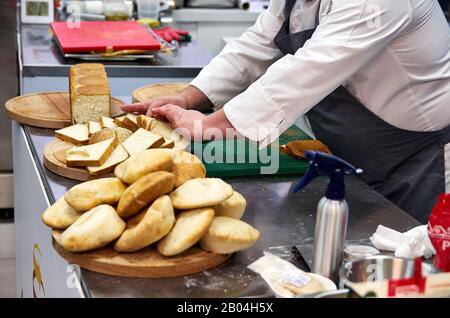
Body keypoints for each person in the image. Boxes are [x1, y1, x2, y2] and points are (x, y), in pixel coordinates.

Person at [122, 0, 450, 224]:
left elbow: (306, 71)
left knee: (406, 266)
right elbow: (255, 47)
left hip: (418, 160)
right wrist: (188, 98)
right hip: (348, 152)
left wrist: (210, 125)